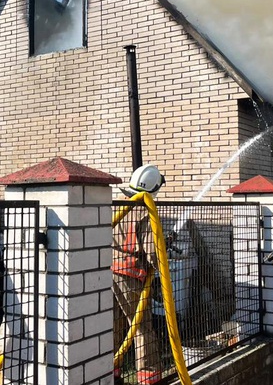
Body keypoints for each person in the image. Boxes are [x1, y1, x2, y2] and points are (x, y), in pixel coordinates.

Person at [112, 165, 165, 385]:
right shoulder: (145, 211)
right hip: (130, 275)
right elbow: (152, 253)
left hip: (108, 272)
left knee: (114, 325)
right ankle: (149, 378)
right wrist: (162, 262)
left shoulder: (118, 204)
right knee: (142, 328)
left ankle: (110, 373)